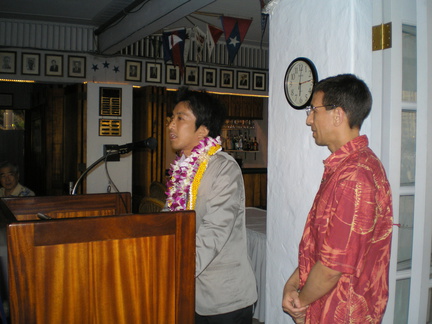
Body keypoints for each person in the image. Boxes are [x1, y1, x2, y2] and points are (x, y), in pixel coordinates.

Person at [282, 74, 393, 323]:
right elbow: (322, 246)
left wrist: (300, 301)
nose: (309, 120)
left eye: (314, 110)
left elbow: (332, 269)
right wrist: (292, 285)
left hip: (342, 313)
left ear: (337, 115)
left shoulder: (356, 176)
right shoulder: (345, 168)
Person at [165, 87, 257, 323]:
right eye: (171, 118)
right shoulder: (181, 170)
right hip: (189, 294)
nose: (171, 125)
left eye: (180, 118)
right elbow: (170, 220)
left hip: (223, 299)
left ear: (202, 131)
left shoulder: (223, 169)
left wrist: (175, 272)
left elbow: (214, 230)